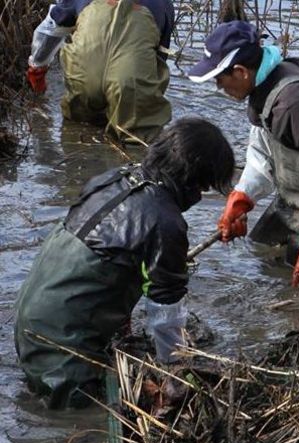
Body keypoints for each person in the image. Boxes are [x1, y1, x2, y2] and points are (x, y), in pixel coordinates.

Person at [14, 117, 235, 409]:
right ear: (194, 179)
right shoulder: (164, 222)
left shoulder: (115, 179)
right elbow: (166, 313)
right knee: (98, 410)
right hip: (63, 360)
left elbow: (106, 265)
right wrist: (176, 378)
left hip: (29, 329)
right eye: (205, 186)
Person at [188, 20, 299, 287]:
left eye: (220, 79)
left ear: (240, 72)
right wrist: (242, 198)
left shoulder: (293, 107)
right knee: (259, 247)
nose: (218, 87)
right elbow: (261, 153)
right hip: (292, 198)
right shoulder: (265, 84)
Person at [26, 0, 174, 143]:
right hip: (129, 85)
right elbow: (159, 58)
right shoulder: (163, 3)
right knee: (136, 141)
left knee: (77, 128)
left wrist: (37, 67)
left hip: (83, 80)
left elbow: (51, 29)